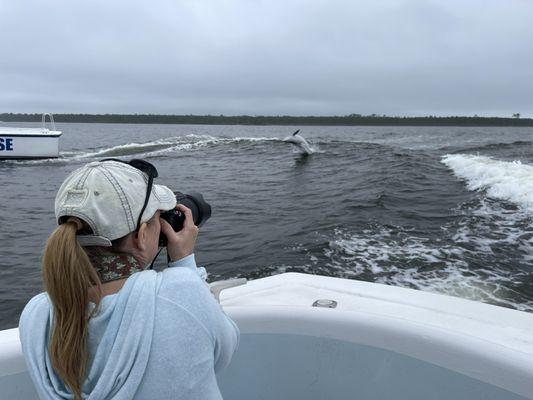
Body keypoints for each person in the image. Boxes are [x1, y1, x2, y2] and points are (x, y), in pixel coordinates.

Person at [19, 159, 240, 400]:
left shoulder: (36, 317)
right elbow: (224, 353)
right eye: (158, 218)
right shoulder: (181, 294)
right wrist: (184, 263)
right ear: (142, 234)